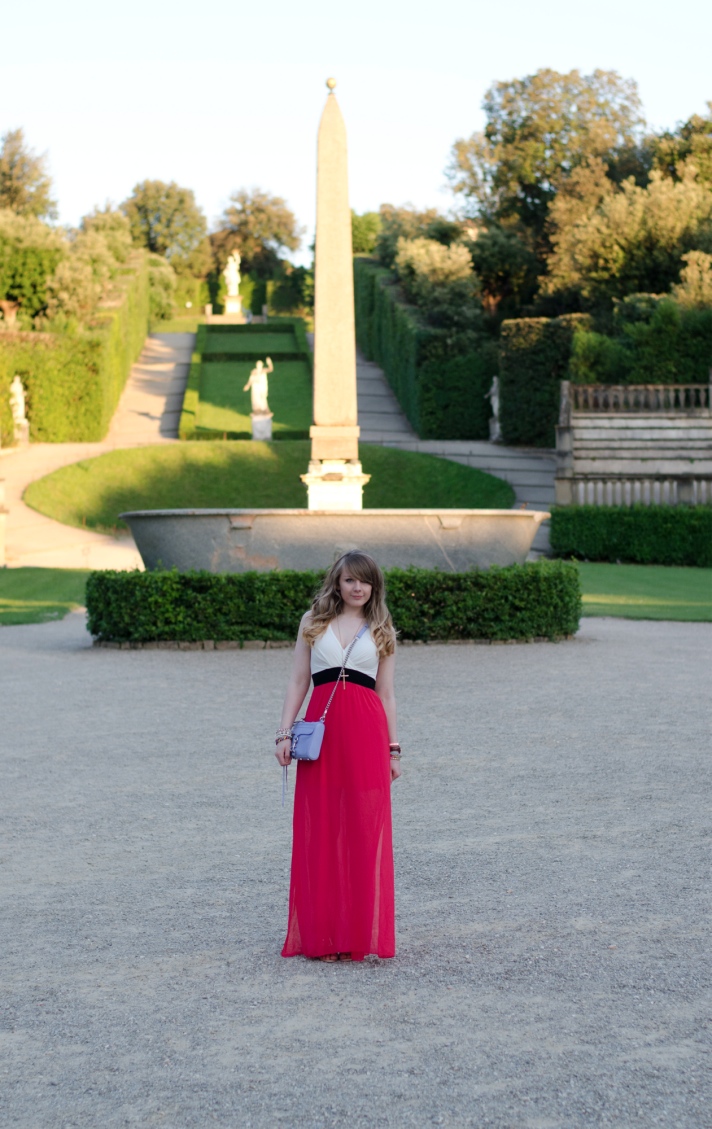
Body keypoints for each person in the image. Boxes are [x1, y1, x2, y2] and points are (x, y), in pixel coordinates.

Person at [275, 550, 401, 963]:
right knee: (323, 826)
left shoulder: (382, 629)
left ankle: (355, 934)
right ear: (338, 582)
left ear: (373, 586)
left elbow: (386, 695)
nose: (357, 587)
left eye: (364, 581)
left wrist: (393, 750)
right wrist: (283, 733)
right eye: (350, 580)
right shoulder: (312, 623)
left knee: (363, 829)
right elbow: (297, 681)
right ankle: (324, 935)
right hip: (322, 734)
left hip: (366, 734)